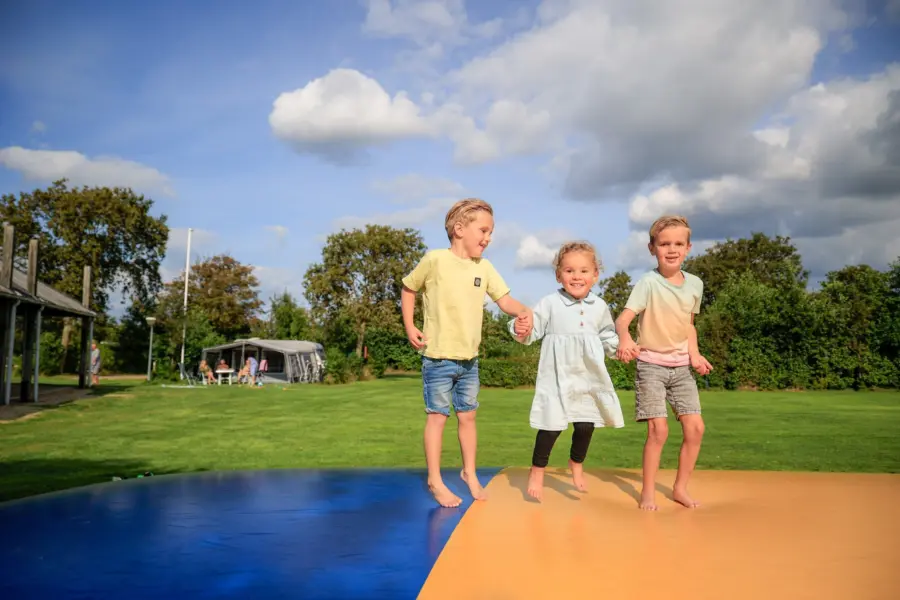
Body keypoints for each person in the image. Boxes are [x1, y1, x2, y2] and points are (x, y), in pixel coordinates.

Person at [401, 198, 534, 508]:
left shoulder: (484, 268)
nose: (488, 238)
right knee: (437, 418)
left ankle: (468, 472)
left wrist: (524, 312)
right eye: (483, 230)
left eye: (491, 232)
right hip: (437, 357)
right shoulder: (434, 260)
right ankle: (434, 480)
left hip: (470, 360)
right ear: (459, 229)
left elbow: (505, 301)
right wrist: (410, 326)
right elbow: (409, 288)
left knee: (469, 417)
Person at [509, 241, 624, 502]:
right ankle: (537, 470)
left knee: (586, 425)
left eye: (584, 271)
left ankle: (576, 462)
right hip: (557, 376)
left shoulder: (600, 306)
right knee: (550, 427)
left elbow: (607, 335)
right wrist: (521, 328)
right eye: (570, 271)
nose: (576, 276)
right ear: (559, 274)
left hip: (588, 376)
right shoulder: (550, 303)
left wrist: (620, 349)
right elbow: (532, 327)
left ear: (595, 275)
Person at [615, 215, 712, 510]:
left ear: (688, 247)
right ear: (651, 248)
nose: (672, 249)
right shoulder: (648, 283)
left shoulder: (695, 284)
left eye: (678, 243)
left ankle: (680, 488)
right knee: (659, 430)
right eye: (664, 243)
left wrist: (695, 355)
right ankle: (647, 492)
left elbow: (689, 325)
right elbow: (623, 320)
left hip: (682, 367)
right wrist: (626, 340)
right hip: (651, 366)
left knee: (695, 428)